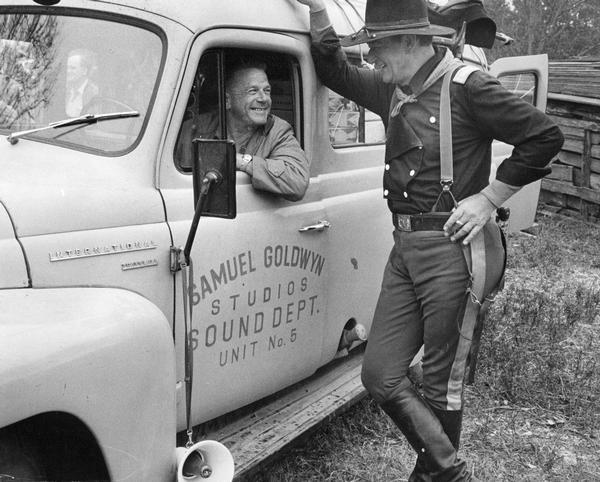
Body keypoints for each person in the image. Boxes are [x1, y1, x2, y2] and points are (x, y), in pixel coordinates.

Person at [297, 0, 564, 480]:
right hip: (406, 249)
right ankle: (449, 470)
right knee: (379, 373)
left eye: (378, 46)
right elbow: (333, 69)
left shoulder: (469, 87)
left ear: (409, 41)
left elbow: (544, 136)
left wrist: (489, 197)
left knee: (443, 382)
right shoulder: (391, 86)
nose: (373, 58)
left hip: (456, 248)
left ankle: (432, 476)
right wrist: (318, 9)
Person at [176, 58, 310, 201]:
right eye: (253, 91)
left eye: (267, 91)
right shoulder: (194, 128)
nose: (264, 98)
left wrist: (242, 162)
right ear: (227, 101)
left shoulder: (278, 131)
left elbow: (297, 182)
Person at [65, 49, 99, 117]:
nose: (68, 71)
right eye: (67, 68)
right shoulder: (64, 90)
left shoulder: (94, 93)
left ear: (84, 70)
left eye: (73, 68)